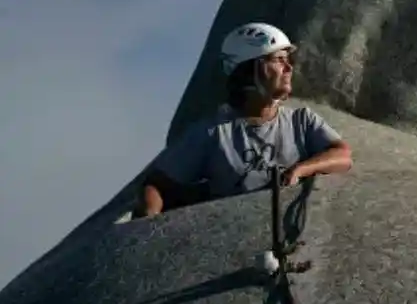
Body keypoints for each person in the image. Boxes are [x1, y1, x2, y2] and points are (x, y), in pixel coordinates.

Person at [137, 22, 352, 218]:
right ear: (250, 70)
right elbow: (157, 184)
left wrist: (299, 170)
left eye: (288, 61)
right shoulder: (213, 132)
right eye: (279, 60)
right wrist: (149, 220)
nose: (289, 68)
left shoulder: (301, 120)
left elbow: (342, 155)